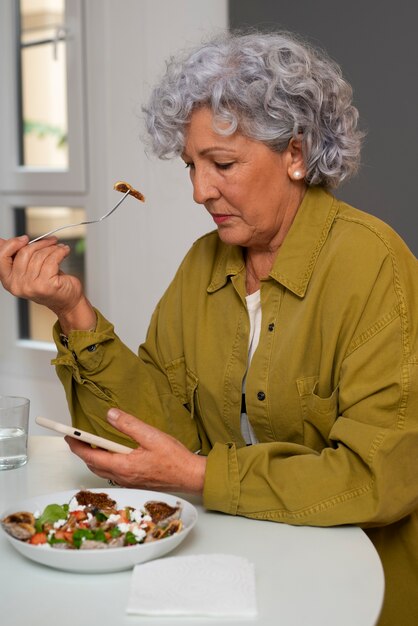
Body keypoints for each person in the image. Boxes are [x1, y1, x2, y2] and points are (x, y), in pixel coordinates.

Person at [0, 31, 417, 625]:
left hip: (352, 585)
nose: (200, 191)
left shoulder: (375, 265)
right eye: (191, 166)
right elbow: (156, 428)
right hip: (232, 565)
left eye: (222, 165)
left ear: (296, 155)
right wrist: (74, 313)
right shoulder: (204, 262)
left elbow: (382, 480)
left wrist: (200, 474)